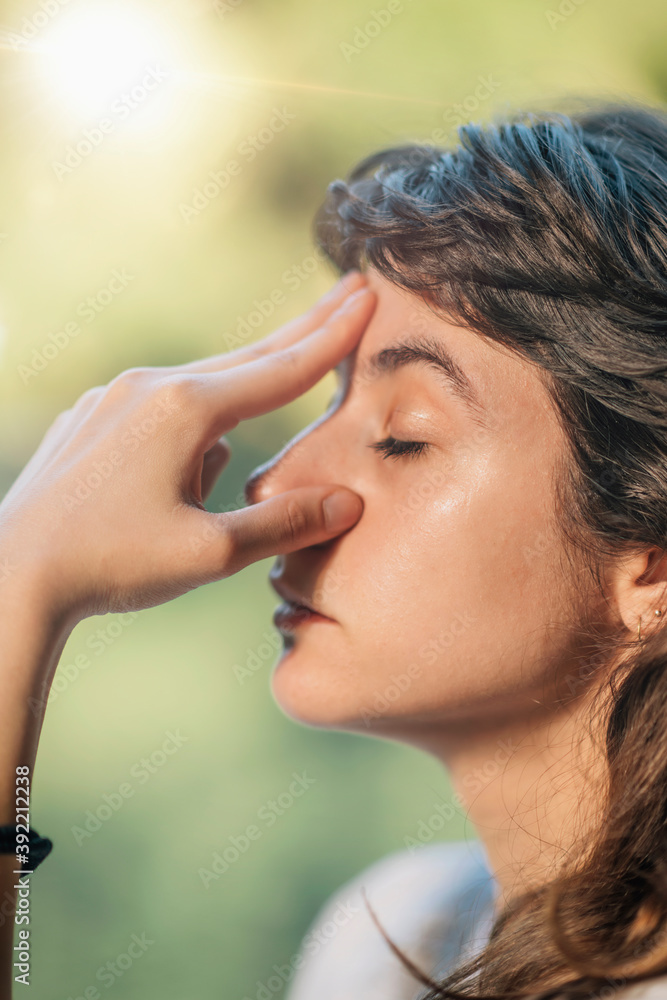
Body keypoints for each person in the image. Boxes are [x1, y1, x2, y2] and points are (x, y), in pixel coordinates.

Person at [3, 100, 667, 1000]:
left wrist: (19, 588)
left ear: (650, 562)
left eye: (402, 435)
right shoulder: (393, 930)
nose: (274, 481)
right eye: (327, 403)